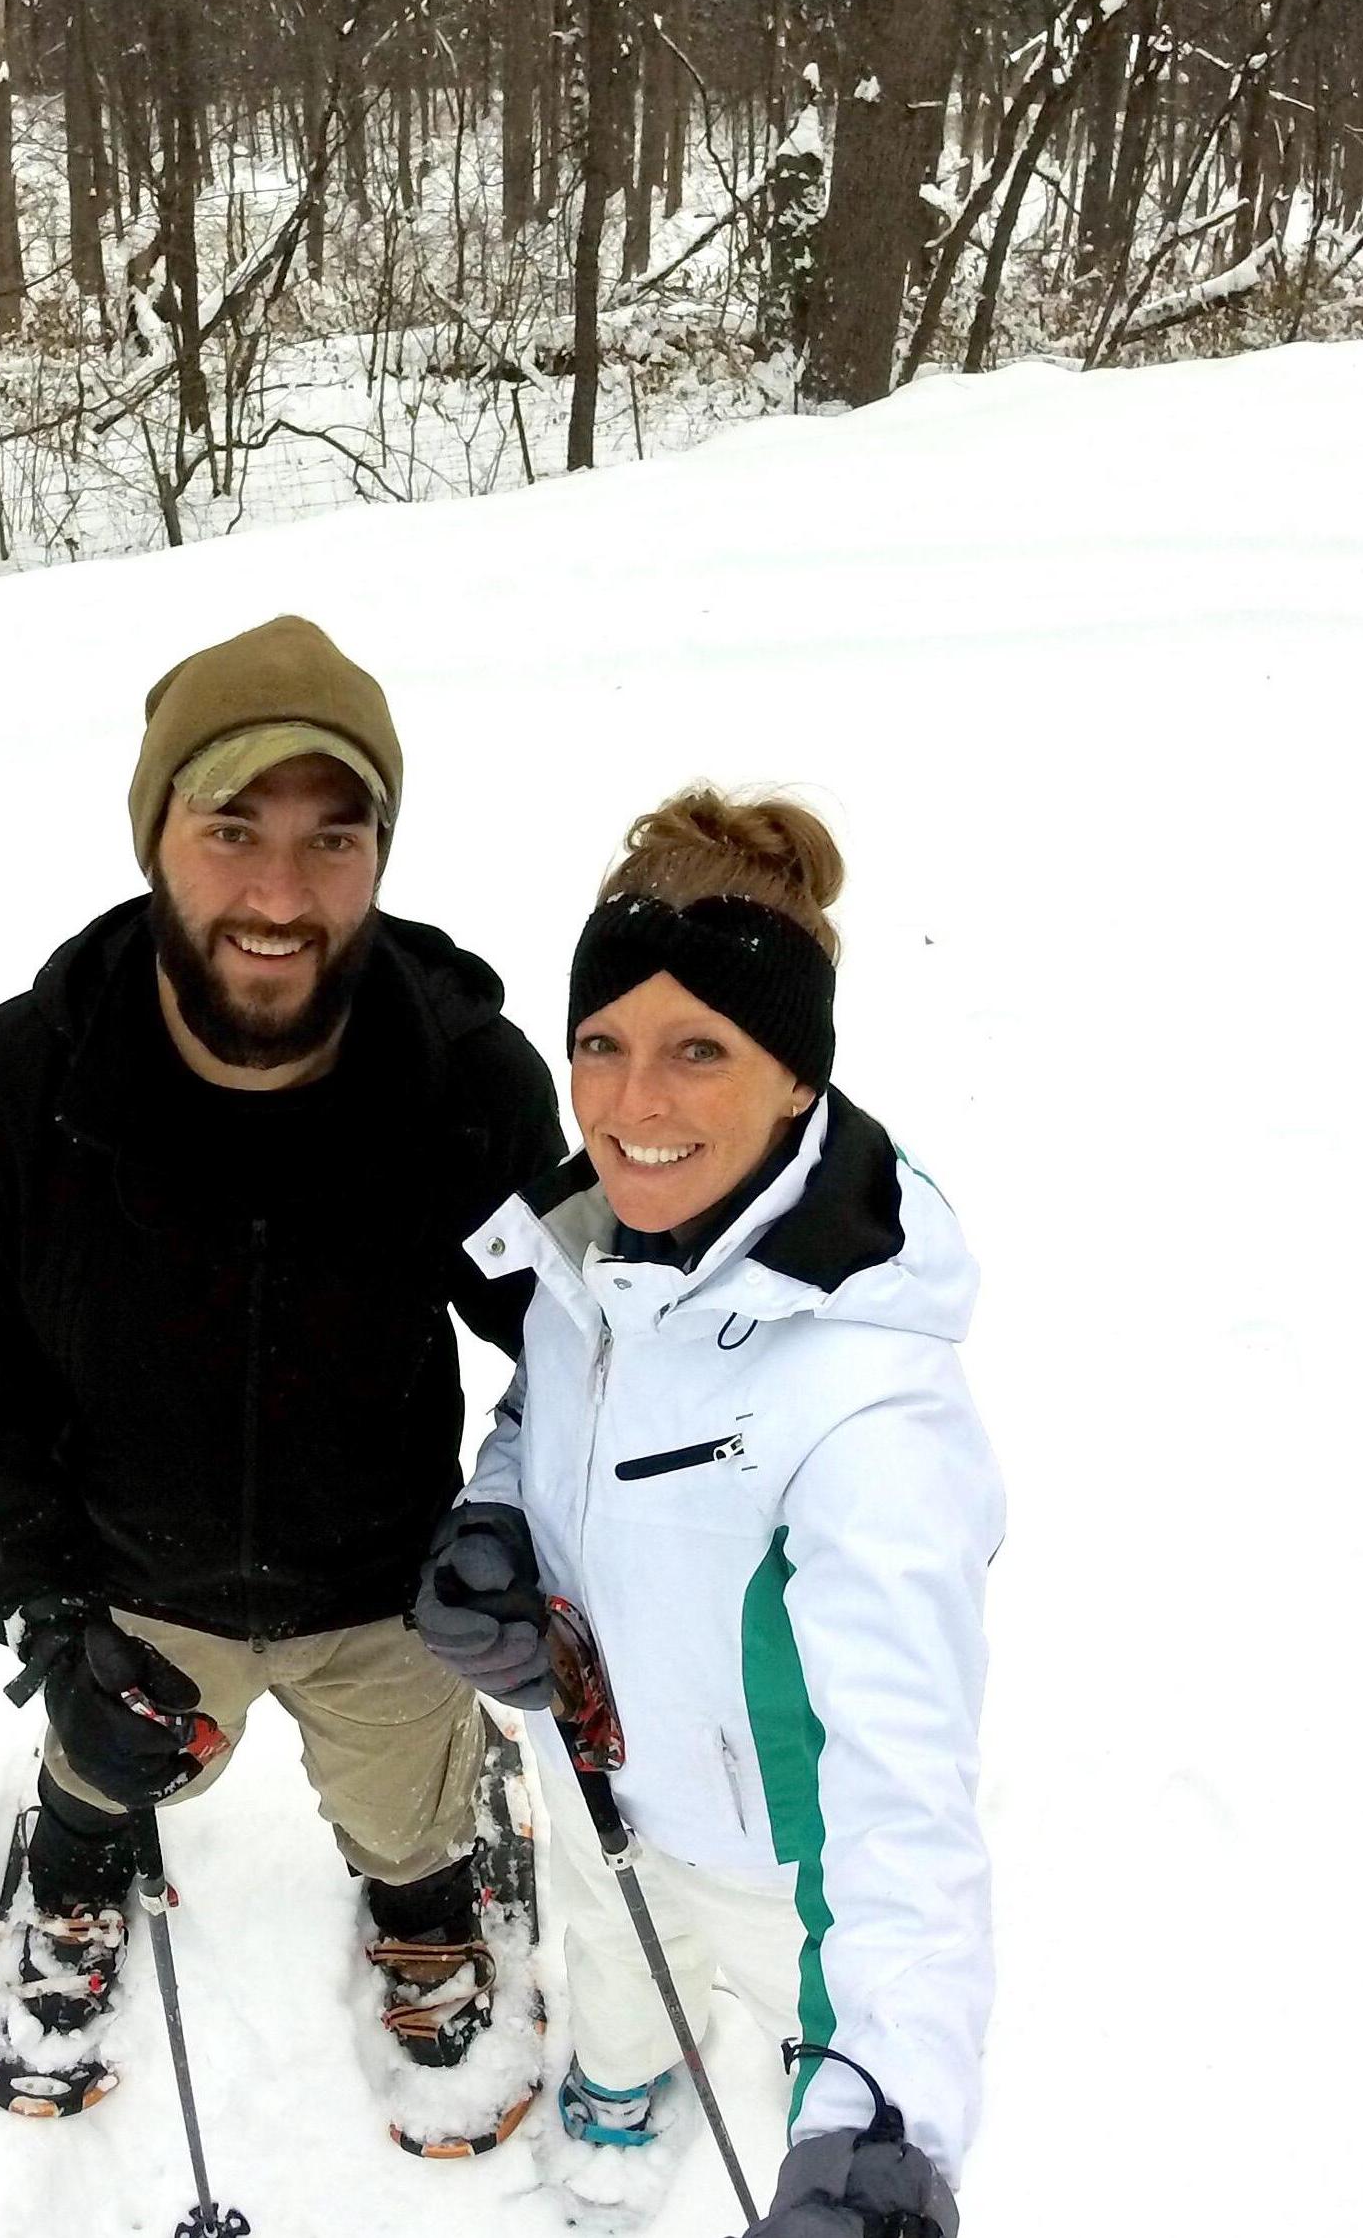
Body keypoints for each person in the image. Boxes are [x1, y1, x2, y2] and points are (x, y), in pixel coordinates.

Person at [0, 614, 563, 2124]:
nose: (279, 892)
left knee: (401, 1808)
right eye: (231, 826)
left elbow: (571, 1341)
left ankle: (434, 1882)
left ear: (382, 855)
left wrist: (517, 1522)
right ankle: (75, 1852)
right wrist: (48, 1612)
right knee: (111, 1764)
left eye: (333, 836)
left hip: (384, 1587)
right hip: (123, 1582)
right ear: (154, 835)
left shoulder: (465, 1087)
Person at [415, 788, 1001, 2235]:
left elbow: (906, 1814)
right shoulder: (588, 1244)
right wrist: (497, 1526)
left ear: (795, 1077)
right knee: (611, 1960)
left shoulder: (869, 1417)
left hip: (771, 1861)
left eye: (698, 1051)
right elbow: (552, 1413)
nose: (631, 1105)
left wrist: (890, 2129)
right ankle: (618, 2084)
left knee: (799, 2035)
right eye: (601, 1046)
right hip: (594, 1771)